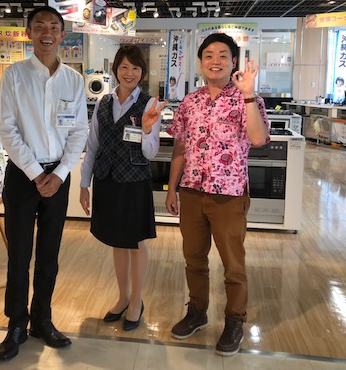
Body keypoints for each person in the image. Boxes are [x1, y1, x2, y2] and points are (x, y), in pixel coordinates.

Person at [165, 33, 269, 357]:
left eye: (223, 55)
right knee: (194, 259)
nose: (215, 61)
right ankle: (197, 312)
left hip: (229, 194)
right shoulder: (190, 102)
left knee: (233, 264)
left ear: (233, 61)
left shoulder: (247, 99)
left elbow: (259, 138)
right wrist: (172, 187)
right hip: (192, 191)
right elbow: (180, 147)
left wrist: (248, 94)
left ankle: (235, 320)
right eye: (209, 55)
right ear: (200, 62)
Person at [0, 6, 89, 361]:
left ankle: (42, 320)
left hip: (59, 177)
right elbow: (7, 129)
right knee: (19, 254)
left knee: (49, 254)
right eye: (39, 27)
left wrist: (60, 173)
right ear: (29, 33)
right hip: (23, 176)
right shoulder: (14, 75)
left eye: (53, 27)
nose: (46, 33)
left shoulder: (73, 80)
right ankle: (16, 324)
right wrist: (37, 173)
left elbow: (79, 130)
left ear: (62, 34)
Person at [79, 45, 167, 331]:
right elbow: (93, 146)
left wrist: (145, 129)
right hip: (106, 180)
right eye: (124, 67)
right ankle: (123, 297)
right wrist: (84, 184)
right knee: (117, 241)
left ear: (142, 72)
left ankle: (136, 302)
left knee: (136, 242)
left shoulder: (150, 105)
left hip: (134, 182)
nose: (129, 73)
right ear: (115, 69)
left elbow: (151, 153)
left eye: (135, 68)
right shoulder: (103, 103)